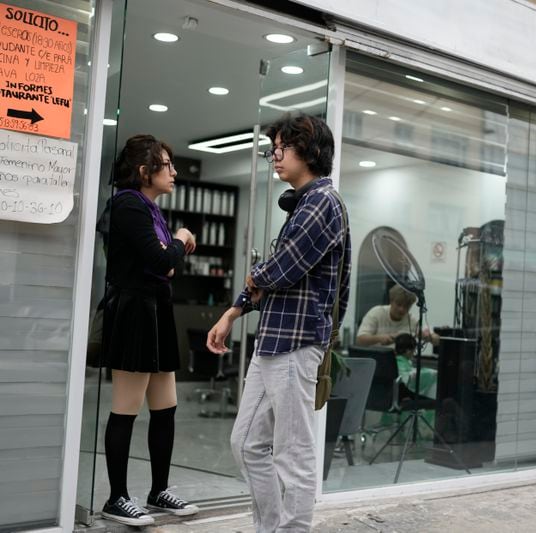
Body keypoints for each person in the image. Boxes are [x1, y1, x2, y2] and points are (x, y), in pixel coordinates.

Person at [206, 113, 350, 533]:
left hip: (296, 342)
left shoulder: (323, 201)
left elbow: (281, 269)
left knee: (293, 452)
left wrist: (258, 276)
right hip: (274, 342)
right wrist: (234, 310)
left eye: (281, 148)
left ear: (307, 150)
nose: (274, 156)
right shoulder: (304, 204)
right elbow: (276, 275)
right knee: (246, 443)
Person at [98, 135, 199, 526]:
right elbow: (162, 261)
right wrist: (179, 239)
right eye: (166, 164)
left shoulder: (149, 209)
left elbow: (166, 264)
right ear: (144, 172)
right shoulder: (127, 204)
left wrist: (169, 252)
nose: (174, 171)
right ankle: (117, 497)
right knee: (125, 409)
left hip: (156, 309)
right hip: (134, 312)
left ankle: (159, 490)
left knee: (166, 407)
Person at [356, 284, 438, 346]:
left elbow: (436, 340)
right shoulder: (376, 313)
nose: (401, 309)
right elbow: (360, 340)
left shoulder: (412, 320)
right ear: (391, 301)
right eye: (399, 304)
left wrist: (430, 337)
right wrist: (380, 338)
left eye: (406, 306)